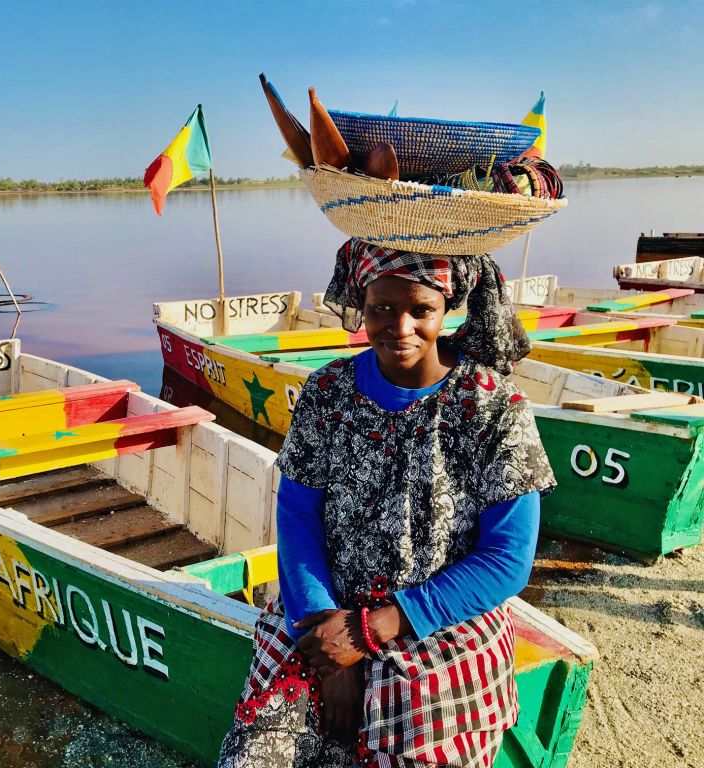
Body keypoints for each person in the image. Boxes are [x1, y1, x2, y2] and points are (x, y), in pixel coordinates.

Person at [216, 239, 556, 768]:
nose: (400, 328)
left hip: (440, 618)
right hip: (324, 610)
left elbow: (507, 561)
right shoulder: (329, 391)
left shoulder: (493, 405)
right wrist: (332, 646)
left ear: (447, 308)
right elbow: (299, 515)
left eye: (421, 310)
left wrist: (371, 631)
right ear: (363, 304)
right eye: (382, 309)